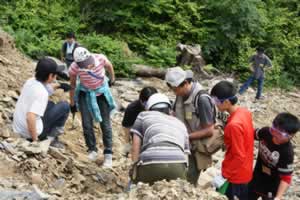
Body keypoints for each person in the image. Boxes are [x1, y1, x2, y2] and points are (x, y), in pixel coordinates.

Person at [165, 67, 215, 185]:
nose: (175, 93)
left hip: (196, 145)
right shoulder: (180, 94)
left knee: (190, 179)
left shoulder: (201, 99)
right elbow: (175, 112)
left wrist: (187, 137)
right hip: (182, 141)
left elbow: (209, 130)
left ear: (186, 83)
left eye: (176, 90)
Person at [69, 47, 116, 168]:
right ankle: (92, 150)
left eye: (88, 62)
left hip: (101, 93)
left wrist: (112, 78)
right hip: (85, 93)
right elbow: (73, 85)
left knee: (105, 124)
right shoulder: (74, 68)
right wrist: (72, 103)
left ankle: (108, 154)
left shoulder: (100, 58)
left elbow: (109, 66)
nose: (88, 65)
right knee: (86, 123)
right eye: (84, 65)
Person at [130, 93, 190, 185]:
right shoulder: (181, 124)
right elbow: (186, 155)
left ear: (149, 108)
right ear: (169, 110)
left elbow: (136, 145)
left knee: (137, 189)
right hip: (178, 165)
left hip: (151, 163)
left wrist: (134, 168)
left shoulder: (143, 115)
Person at [210, 81, 254, 200]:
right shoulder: (244, 112)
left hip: (235, 176)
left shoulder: (233, 125)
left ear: (227, 102)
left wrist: (224, 176)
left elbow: (238, 156)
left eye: (216, 101)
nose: (215, 104)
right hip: (246, 170)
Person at [13, 57, 70, 148]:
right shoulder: (41, 93)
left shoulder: (30, 81)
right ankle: (51, 137)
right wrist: (35, 141)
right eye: (55, 74)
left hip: (18, 127)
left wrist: (60, 85)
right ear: (50, 76)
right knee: (65, 106)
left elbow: (47, 88)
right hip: (31, 133)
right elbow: (30, 117)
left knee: (50, 104)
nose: (56, 77)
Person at [248, 113, 300, 200]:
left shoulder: (287, 153)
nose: (275, 135)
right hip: (256, 178)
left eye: (280, 134)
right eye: (273, 129)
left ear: (291, 136)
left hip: (272, 186)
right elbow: (250, 134)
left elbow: (286, 178)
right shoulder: (266, 132)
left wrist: (278, 197)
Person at [121, 86, 158, 156]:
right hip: (138, 135)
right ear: (141, 100)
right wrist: (127, 144)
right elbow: (127, 127)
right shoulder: (132, 109)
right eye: (145, 104)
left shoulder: (159, 107)